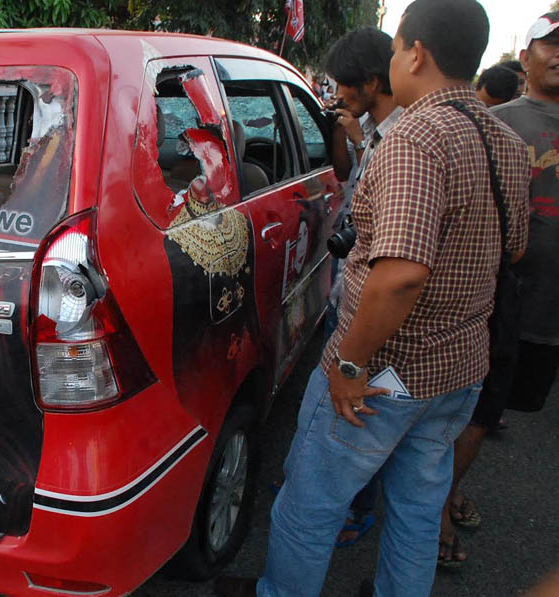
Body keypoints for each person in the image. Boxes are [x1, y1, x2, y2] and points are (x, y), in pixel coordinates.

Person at [215, 1, 530, 596]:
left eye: (396, 49)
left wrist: (350, 365)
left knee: (309, 505)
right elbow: (513, 250)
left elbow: (401, 274)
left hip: (385, 373)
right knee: (415, 511)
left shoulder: (415, 136)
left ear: (416, 52)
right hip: (458, 368)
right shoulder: (504, 139)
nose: (392, 60)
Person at [438, 10, 559, 568]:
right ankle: (434, 506)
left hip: (550, 310)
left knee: (501, 411)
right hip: (498, 299)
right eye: (550, 43)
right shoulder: (496, 123)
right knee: (475, 410)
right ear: (525, 57)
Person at [323, 26, 404, 547]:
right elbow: (340, 173)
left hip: (367, 318)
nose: (338, 95)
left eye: (344, 86)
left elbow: (399, 271)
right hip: (347, 298)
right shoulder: (373, 130)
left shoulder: (403, 142)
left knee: (356, 422)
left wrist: (350, 361)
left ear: (371, 81)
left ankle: (351, 509)